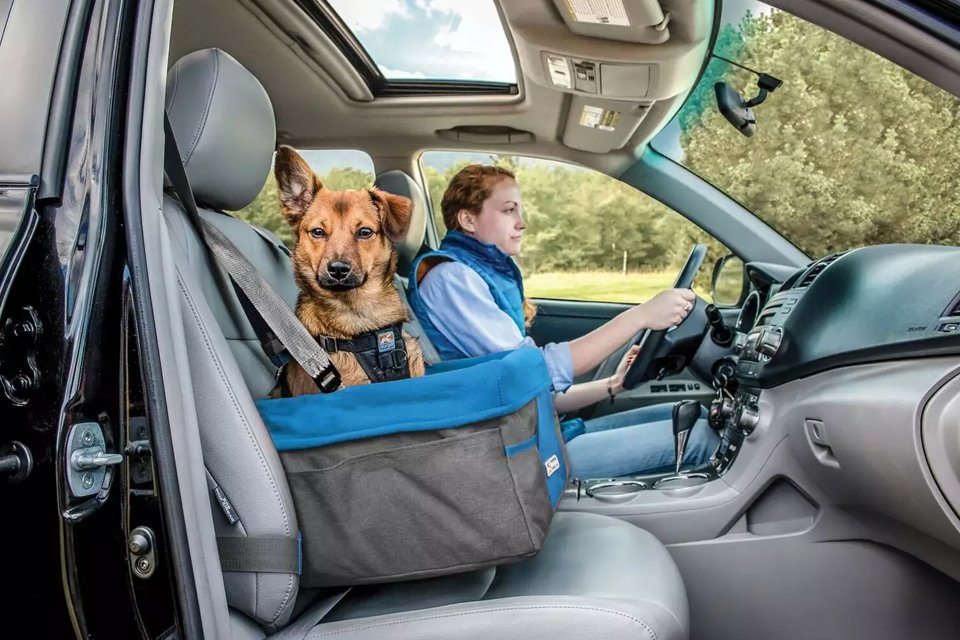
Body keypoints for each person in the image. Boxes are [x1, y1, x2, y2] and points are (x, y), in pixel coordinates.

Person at [407, 164, 720, 479]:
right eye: (508, 210)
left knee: (694, 415)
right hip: (513, 455)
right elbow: (534, 371)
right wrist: (641, 316)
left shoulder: (473, 273)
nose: (522, 223)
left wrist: (613, 385)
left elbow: (534, 391)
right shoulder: (450, 279)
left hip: (530, 432)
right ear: (468, 218)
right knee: (701, 439)